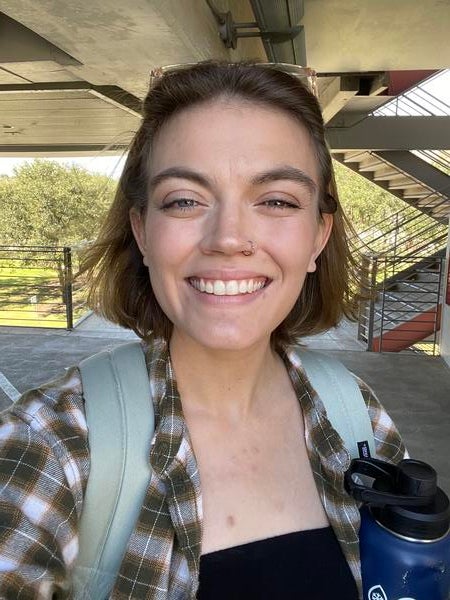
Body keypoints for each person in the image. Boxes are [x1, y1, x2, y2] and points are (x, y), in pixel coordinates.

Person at [0, 62, 406, 599]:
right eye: (185, 200)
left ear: (317, 237)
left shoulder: (358, 415)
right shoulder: (51, 447)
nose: (229, 238)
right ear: (142, 231)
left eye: (278, 200)